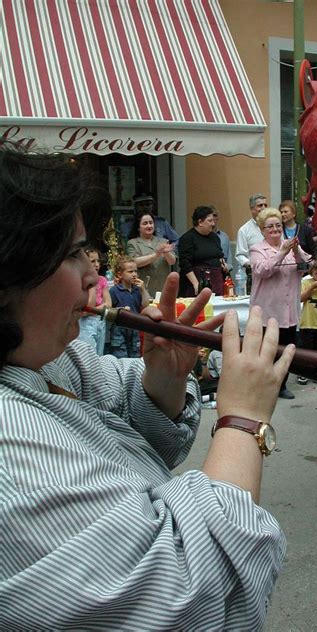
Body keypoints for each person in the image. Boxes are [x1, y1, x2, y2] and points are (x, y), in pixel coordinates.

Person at [0, 144, 296, 630]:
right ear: (10, 276)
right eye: (74, 254)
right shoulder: (10, 449)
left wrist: (164, 376)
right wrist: (243, 420)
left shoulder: (43, 357)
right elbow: (192, 597)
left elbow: (115, 406)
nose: (94, 275)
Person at [250, 207, 311, 399]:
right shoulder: (257, 249)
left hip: (289, 309)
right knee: (268, 351)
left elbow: (306, 267)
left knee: (287, 349)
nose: (275, 229)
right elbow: (263, 270)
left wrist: (297, 250)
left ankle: (281, 385)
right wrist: (282, 253)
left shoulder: (289, 246)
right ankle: (264, 386)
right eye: (270, 227)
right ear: (262, 230)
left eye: (278, 225)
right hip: (268, 310)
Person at [178, 206, 228, 296]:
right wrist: (196, 284)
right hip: (197, 282)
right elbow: (185, 264)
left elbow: (219, 255)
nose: (213, 224)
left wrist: (223, 264)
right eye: (210, 221)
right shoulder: (187, 238)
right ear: (200, 222)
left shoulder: (215, 237)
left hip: (216, 280)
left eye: (213, 220)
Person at [127, 211, 176, 298]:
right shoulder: (133, 243)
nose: (149, 226)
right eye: (145, 223)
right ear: (138, 227)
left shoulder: (163, 241)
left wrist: (166, 252)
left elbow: (172, 261)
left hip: (163, 287)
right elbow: (135, 262)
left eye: (151, 223)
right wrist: (156, 254)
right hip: (144, 288)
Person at [109, 256, 151, 358]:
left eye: (136, 271)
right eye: (130, 271)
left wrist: (143, 290)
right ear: (120, 274)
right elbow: (109, 309)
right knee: (121, 357)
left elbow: (146, 306)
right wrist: (120, 311)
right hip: (119, 330)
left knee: (135, 356)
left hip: (134, 327)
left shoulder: (137, 290)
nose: (134, 274)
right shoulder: (114, 291)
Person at [78, 245, 112, 354]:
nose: (97, 264)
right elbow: (89, 307)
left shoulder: (102, 280)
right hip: (85, 323)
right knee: (88, 354)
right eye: (92, 261)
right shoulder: (81, 281)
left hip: (99, 321)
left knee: (99, 355)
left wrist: (94, 310)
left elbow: (108, 303)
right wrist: (92, 284)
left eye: (98, 261)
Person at [235, 193, 268, 271]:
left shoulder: (274, 227)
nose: (264, 208)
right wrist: (251, 265)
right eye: (260, 205)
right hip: (255, 273)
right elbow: (240, 255)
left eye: (265, 205)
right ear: (252, 209)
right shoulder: (244, 230)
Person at [210, 205, 233, 271]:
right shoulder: (202, 237)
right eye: (210, 216)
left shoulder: (224, 237)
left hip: (223, 272)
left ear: (218, 217)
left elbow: (229, 261)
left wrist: (227, 267)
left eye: (215, 215)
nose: (212, 218)